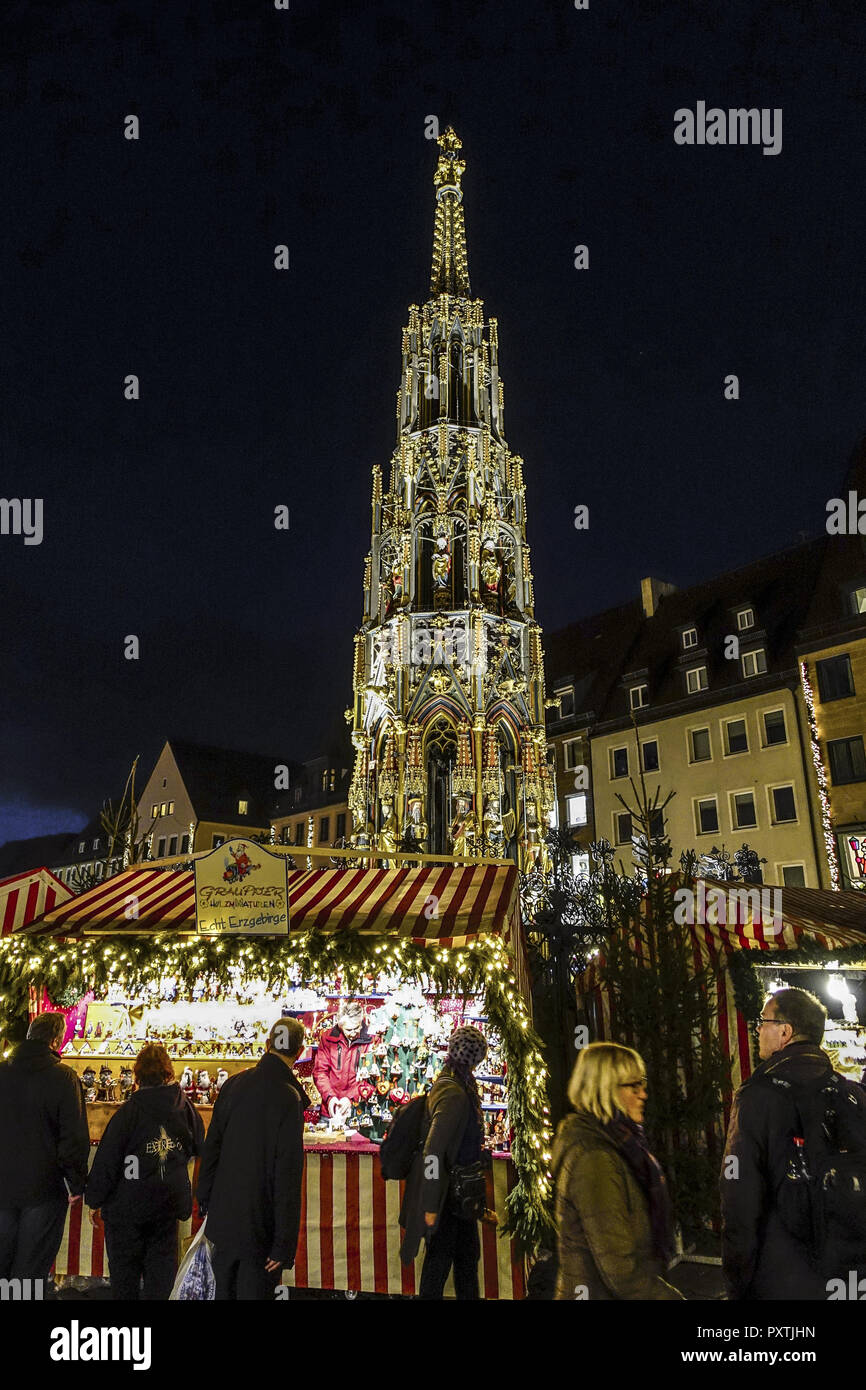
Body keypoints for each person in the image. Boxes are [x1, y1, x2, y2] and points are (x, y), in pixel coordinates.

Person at [721, 986, 866, 1300]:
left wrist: (738, 1277)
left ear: (785, 1032)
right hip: (849, 1273)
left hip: (783, 1275)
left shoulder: (756, 1096)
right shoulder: (851, 1093)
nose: (758, 1029)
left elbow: (740, 1198)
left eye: (763, 1021)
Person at [551, 1041, 683, 1301]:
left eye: (642, 1083)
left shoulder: (624, 1145)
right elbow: (621, 1270)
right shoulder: (594, 1158)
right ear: (605, 1089)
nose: (643, 1093)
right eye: (634, 1086)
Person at [196, 1016, 306, 1300]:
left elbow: (212, 1150)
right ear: (300, 1052)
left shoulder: (233, 1085)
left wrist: (206, 1202)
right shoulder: (289, 1098)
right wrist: (284, 1243)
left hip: (223, 1220)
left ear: (267, 1044)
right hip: (261, 1227)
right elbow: (287, 1175)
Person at [86, 1042, 204, 1300]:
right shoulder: (184, 1107)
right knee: (161, 1279)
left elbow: (108, 1161)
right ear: (168, 1073)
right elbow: (199, 1143)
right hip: (167, 1206)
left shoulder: (128, 1113)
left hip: (127, 1208)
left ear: (137, 1076)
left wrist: (94, 1200)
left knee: (125, 1278)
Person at [0, 1011, 90, 1289]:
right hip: (43, 1188)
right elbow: (73, 1138)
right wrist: (76, 1183)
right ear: (55, 1041)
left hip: (3, 1184)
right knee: (30, 1268)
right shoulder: (63, 1078)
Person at [400, 1024, 490, 1300]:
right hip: (447, 1197)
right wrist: (429, 1205)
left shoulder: (457, 1084)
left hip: (456, 1195)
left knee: (464, 1262)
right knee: (440, 1265)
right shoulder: (454, 1093)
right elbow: (433, 1150)